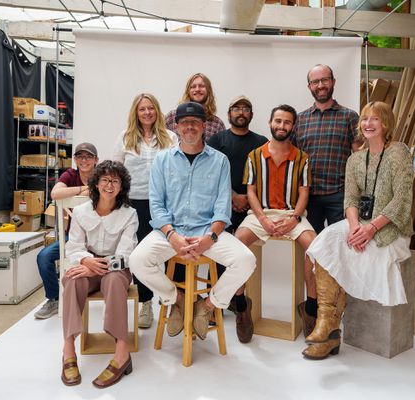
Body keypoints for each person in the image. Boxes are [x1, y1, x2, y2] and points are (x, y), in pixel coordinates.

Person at [129, 101, 256, 341]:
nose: (190, 127)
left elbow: (222, 207)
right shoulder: (162, 160)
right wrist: (173, 237)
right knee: (137, 260)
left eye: (195, 122)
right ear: (176, 127)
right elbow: (156, 205)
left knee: (246, 261)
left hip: (207, 232)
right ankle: (178, 300)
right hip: (171, 232)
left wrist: (210, 238)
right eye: (185, 123)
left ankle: (207, 306)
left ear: (204, 126)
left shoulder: (220, 161)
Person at [303, 101, 414, 360]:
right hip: (360, 223)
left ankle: (328, 333)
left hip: (390, 226)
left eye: (375, 119)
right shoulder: (354, 159)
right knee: (325, 243)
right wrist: (355, 228)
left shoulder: (399, 153)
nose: (368, 123)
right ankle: (326, 324)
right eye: (364, 119)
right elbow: (350, 199)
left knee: (354, 251)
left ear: (386, 124)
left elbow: (401, 200)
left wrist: (371, 229)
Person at [235, 104, 317, 342]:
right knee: (237, 244)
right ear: (270, 123)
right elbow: (250, 191)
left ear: (293, 126)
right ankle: (242, 306)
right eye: (278, 121)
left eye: (287, 122)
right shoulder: (255, 155)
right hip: (261, 213)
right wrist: (261, 218)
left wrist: (294, 219)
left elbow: (304, 193)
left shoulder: (302, 157)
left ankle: (310, 310)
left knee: (316, 249)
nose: (282, 126)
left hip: (292, 213)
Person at [291, 64, 360, 330]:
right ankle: (312, 307)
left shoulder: (349, 117)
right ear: (309, 86)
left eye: (324, 80)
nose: (320, 85)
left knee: (343, 252)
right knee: (312, 253)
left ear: (333, 82)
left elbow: (358, 156)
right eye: (315, 82)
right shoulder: (301, 119)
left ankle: (337, 310)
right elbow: (292, 161)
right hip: (309, 197)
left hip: (341, 195)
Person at [61, 160, 138, 388]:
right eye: (104, 179)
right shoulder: (81, 212)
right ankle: (68, 350)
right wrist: (86, 261)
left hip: (117, 268)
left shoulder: (129, 214)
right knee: (72, 278)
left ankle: (122, 352)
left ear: (122, 186)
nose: (109, 185)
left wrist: (95, 264)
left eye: (115, 180)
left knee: (114, 281)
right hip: (89, 265)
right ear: (95, 184)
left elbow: (126, 253)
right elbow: (74, 247)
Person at [113, 93, 178, 329]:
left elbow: (178, 170)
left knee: (171, 250)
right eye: (142, 109)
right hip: (135, 203)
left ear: (157, 111)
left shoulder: (170, 137)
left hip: (164, 203)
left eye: (151, 108)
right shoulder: (125, 137)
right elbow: (116, 171)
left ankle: (173, 302)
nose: (147, 112)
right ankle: (146, 302)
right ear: (136, 113)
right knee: (139, 253)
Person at [207, 95, 267, 342]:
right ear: (229, 112)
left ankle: (239, 303)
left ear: (251, 114)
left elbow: (265, 177)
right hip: (222, 204)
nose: (241, 112)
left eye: (246, 108)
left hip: (253, 207)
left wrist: (248, 198)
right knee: (218, 253)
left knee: (240, 254)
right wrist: (232, 196)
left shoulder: (262, 142)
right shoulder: (217, 140)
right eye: (236, 108)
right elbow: (208, 174)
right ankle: (221, 301)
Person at [34, 142, 98, 320]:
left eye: (88, 157)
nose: (84, 160)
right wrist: (83, 189)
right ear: (75, 159)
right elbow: (55, 193)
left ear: (96, 160)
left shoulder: (102, 174)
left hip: (100, 237)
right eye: (80, 157)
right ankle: (54, 299)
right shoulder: (71, 174)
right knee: (44, 257)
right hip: (74, 237)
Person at [165, 73, 225, 141]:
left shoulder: (217, 124)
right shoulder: (171, 117)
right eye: (193, 86)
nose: (197, 89)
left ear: (208, 90)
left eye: (202, 86)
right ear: (188, 91)